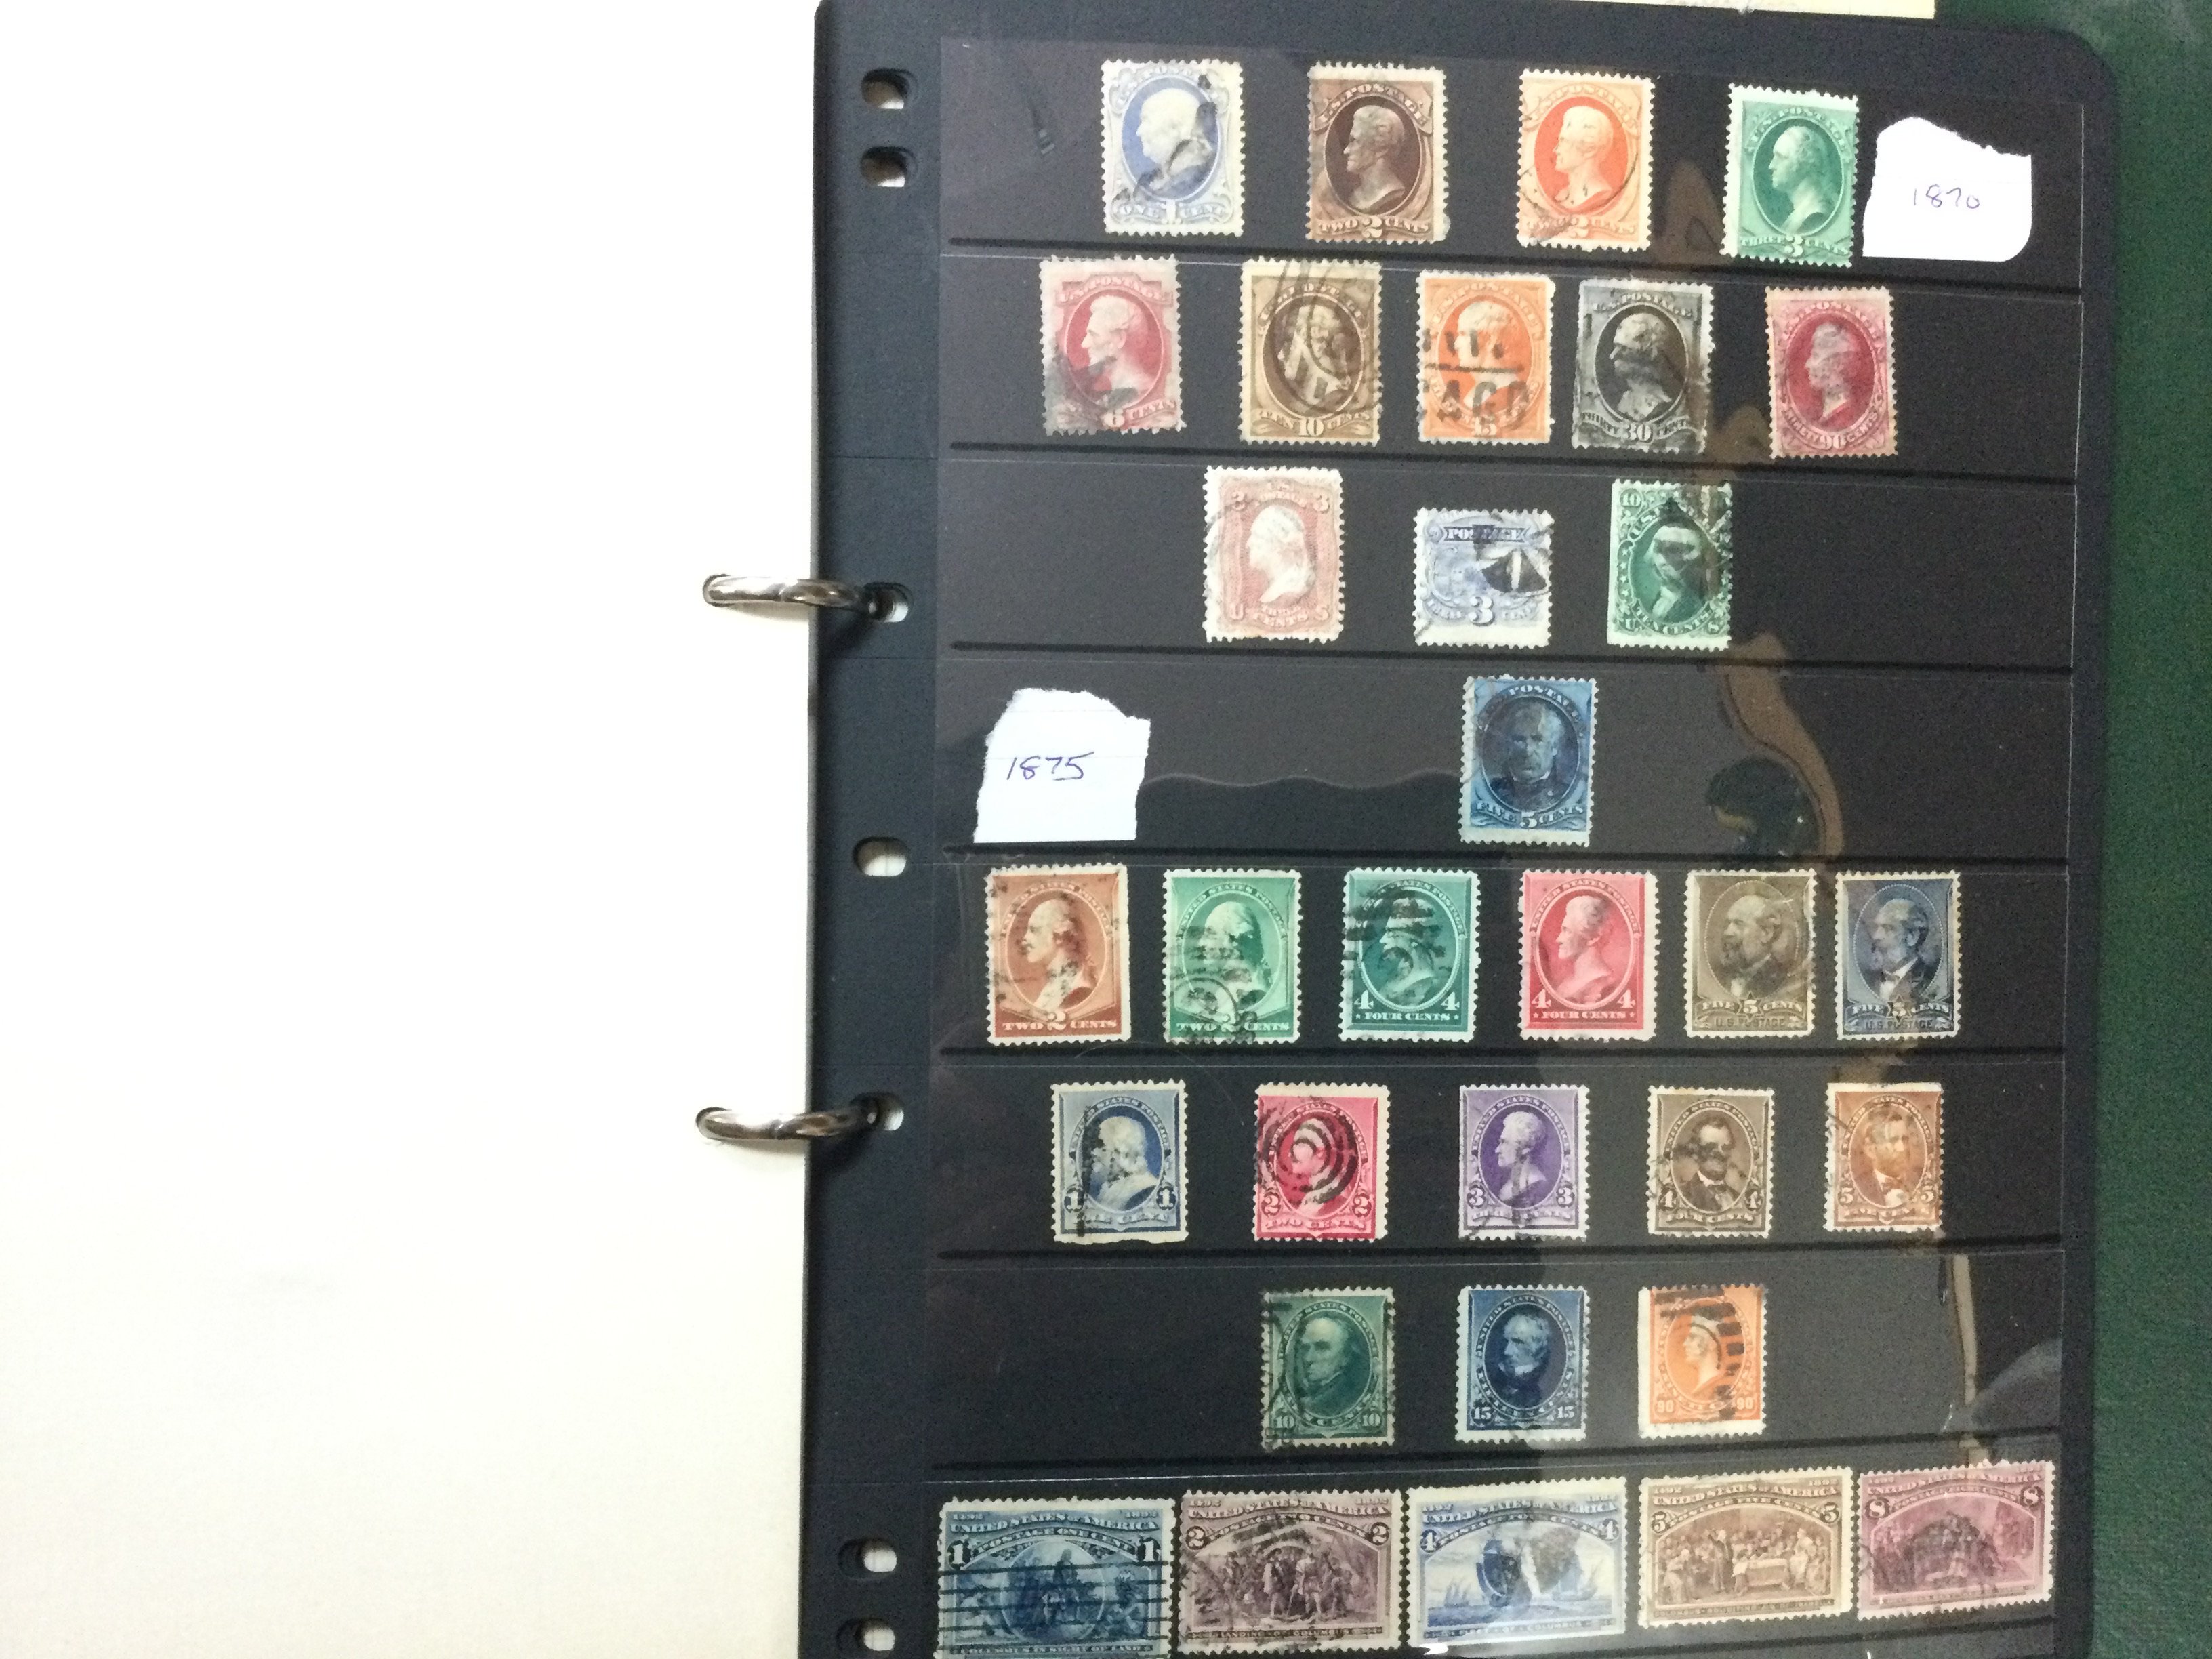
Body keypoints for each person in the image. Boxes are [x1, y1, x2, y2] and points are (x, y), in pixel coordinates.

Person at [1483, 697, 1573, 813]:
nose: (1527, 751)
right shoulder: (1492, 791)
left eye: (1537, 739)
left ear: (1554, 746)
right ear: (1508, 745)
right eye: (1519, 740)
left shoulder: (1567, 795)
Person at [1715, 886, 1803, 1000]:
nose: (1727, 932)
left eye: (1739, 924)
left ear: (1766, 933)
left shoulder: (1782, 980)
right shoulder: (1722, 978)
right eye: (1728, 924)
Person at [1271, 298, 1358, 413]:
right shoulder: (1302, 397)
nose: (1281, 356)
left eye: (1292, 345)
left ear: (1317, 349)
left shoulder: (1332, 395)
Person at [1132, 83, 1215, 199]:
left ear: (1175, 128)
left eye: (1147, 121)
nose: (1139, 132)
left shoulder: (1192, 180)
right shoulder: (1149, 181)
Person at [1018, 895, 1096, 1015]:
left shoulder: (1078, 993)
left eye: (1034, 930)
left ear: (1060, 937)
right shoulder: (1052, 989)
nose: (1024, 939)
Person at [1073, 293, 1153, 410]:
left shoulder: (1137, 392)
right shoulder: (1120, 391)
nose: (1084, 344)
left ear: (1119, 339)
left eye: (1094, 335)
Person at [1192, 899, 1272, 1010]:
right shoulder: (1224, 992)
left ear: (1235, 940)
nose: (1201, 943)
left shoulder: (1253, 995)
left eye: (1209, 935)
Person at [1605, 310, 1683, 422]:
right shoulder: (1627, 399)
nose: (1612, 356)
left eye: (1624, 349)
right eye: (1615, 347)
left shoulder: (1660, 406)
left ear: (1646, 355)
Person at [1370, 892, 1446, 1006]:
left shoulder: (1423, 985)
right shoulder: (1398, 977)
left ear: (1415, 942)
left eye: (1393, 934)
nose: (1383, 940)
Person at [1865, 893, 1938, 1008]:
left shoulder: (1930, 981)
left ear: (1912, 937)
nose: (1876, 936)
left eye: (1888, 928)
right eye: (1877, 928)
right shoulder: (1868, 980)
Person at [1636, 519, 1713, 624]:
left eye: (1673, 551)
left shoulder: (1697, 603)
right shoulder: (1662, 598)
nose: (1662, 562)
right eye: (1659, 550)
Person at [1290, 1312, 1366, 1418]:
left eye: (1322, 1348)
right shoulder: (1312, 1399)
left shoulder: (1345, 1401)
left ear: (1345, 1356)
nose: (1308, 1359)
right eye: (1305, 1348)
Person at [1765, 122, 1836, 233]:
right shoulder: (1799, 215)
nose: (1771, 166)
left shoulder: (1815, 216)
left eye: (1780, 157)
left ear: (1805, 162)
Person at [1545, 894, 1617, 1003]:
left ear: (1594, 937)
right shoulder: (1566, 984)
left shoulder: (1604, 987)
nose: (1558, 940)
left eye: (1567, 931)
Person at [1338, 102, 1411, 211]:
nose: (1346, 151)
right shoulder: (1355, 197)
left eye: (1355, 141)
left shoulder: (1393, 193)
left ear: (1382, 149)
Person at [1244, 503, 1315, 607]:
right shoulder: (1279, 587)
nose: (1248, 544)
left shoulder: (1290, 590)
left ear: (1277, 544)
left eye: (1256, 536)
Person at [1549, 103, 1618, 211]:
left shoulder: (1599, 194)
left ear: (1590, 150)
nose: (1556, 150)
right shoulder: (1561, 196)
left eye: (1564, 141)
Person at [1085, 1113, 1159, 1212]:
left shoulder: (1145, 1191)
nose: (1094, 1153)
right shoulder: (1108, 1189)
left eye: (1101, 1147)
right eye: (1094, 1146)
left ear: (1122, 1153)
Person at [1674, 1116, 1746, 1212]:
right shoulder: (1683, 1196)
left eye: (1726, 1147)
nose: (1721, 1154)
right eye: (1711, 1147)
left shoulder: (1738, 1198)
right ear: (1696, 1153)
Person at [1488, 1309, 1555, 1409]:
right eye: (1508, 1341)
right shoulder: (1497, 1380)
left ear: (1535, 1347)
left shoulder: (1537, 1391)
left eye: (1517, 1342)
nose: (1507, 1351)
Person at [1801, 319, 1865, 426]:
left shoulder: (1845, 418)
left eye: (1815, 356)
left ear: (1837, 364)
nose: (1807, 365)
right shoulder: (1830, 417)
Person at [1858, 1105, 1921, 1208]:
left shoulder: (1919, 1179)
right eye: (1893, 1140)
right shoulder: (1860, 1187)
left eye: (1904, 1139)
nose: (1902, 1149)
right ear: (1870, 1150)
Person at [1488, 1109, 1553, 1206]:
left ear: (1525, 1148)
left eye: (1504, 1142)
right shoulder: (1506, 1187)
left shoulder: (1539, 1188)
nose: (1497, 1150)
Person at [1677, 1309, 1729, 1395]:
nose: (1685, 1344)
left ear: (1712, 1343)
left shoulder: (1717, 1383)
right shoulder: (1697, 1391)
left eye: (1693, 1337)